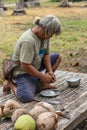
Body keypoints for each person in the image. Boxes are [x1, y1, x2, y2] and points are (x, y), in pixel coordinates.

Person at [3, 14, 62, 103]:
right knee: (25, 97)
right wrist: (42, 76)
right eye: (52, 33)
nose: (51, 36)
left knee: (58, 57)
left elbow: (46, 54)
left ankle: (43, 84)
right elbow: (25, 66)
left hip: (35, 64)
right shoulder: (28, 41)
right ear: (44, 28)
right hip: (23, 71)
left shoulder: (45, 35)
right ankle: (10, 83)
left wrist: (49, 71)